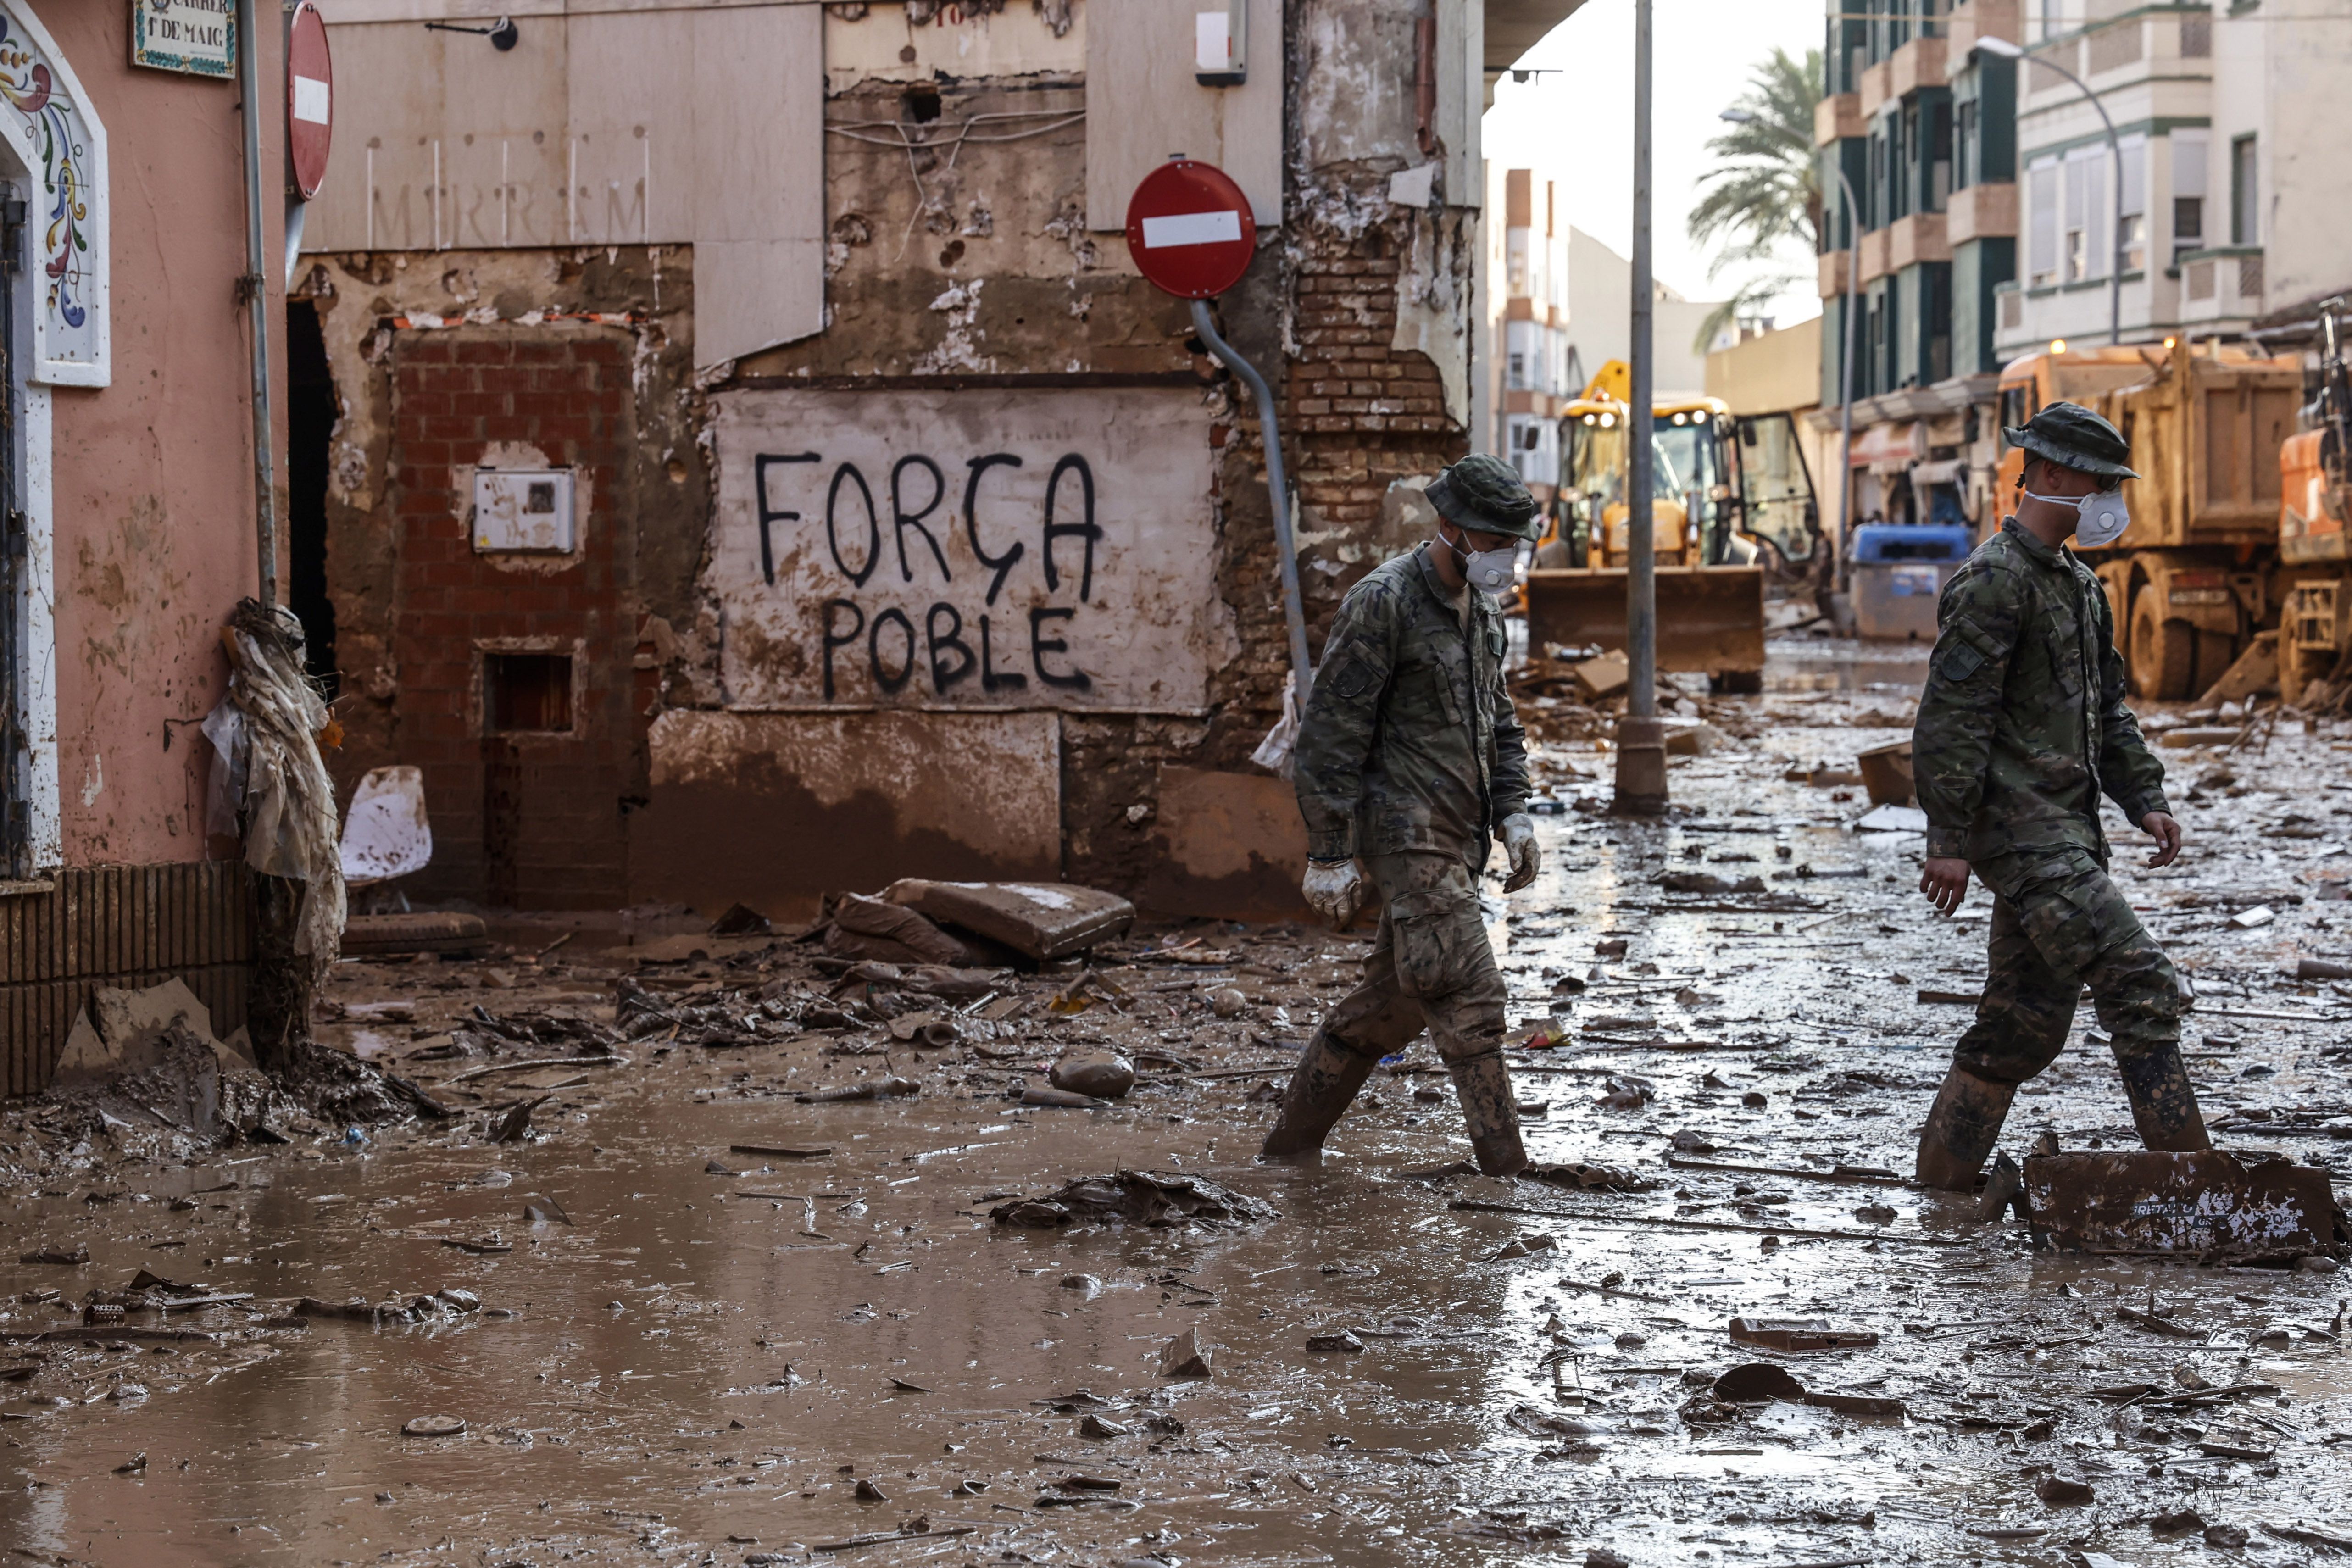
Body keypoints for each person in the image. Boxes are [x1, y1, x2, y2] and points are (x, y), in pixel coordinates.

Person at [1910, 401, 2205, 1190]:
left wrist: (2145, 799)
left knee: (2021, 1027)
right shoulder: (1992, 583)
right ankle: (2204, 1190)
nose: (2112, 496)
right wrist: (1948, 840)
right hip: (2022, 837)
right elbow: (1952, 716)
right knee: (2140, 979)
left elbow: (2107, 709)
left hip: (2066, 836)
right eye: (2101, 481)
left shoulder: (2080, 587)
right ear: (2048, 476)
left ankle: (1938, 1188)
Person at [1263, 454, 1545, 1177]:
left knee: (1392, 1004)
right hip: (1403, 831)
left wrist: (1513, 813)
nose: (1506, 556)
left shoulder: (1483, 612)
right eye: (1494, 540)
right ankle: (1509, 1177)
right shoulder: (1382, 601)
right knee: (1468, 990)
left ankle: (1289, 1151)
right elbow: (1330, 731)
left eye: (1516, 542)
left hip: (1458, 836)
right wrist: (1328, 850)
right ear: (1448, 528)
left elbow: (1500, 722)